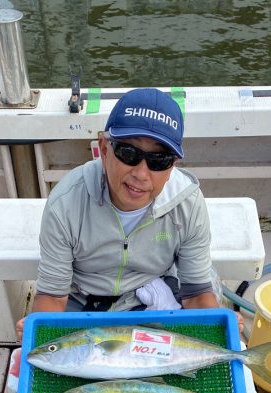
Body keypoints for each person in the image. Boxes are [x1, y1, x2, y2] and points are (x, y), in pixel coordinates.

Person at [16, 87, 243, 341]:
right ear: (103, 149)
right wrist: (41, 331)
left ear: (172, 167)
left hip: (156, 292)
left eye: (159, 160)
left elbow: (195, 293)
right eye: (128, 153)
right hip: (83, 302)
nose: (141, 174)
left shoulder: (188, 204)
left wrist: (217, 327)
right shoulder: (66, 203)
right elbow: (54, 296)